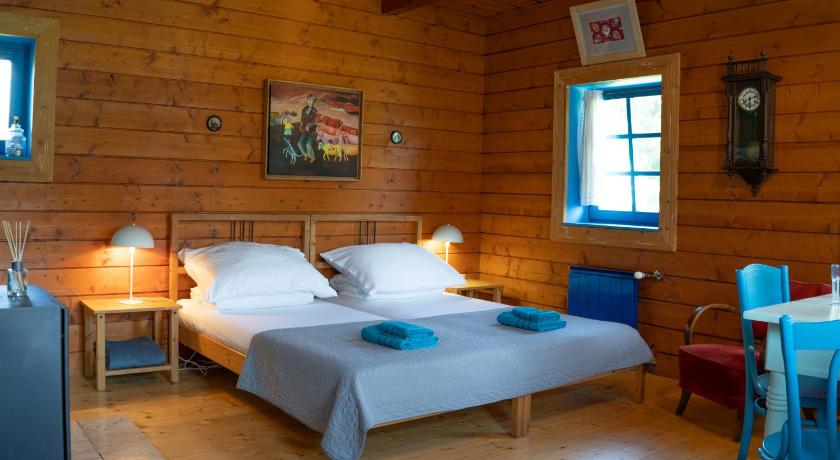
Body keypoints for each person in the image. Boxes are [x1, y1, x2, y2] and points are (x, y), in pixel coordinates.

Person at [297, 94, 319, 163]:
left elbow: (315, 121)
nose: (311, 102)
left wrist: (309, 125)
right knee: (299, 143)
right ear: (307, 100)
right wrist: (301, 126)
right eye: (310, 100)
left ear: (314, 102)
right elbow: (302, 119)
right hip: (305, 130)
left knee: (308, 144)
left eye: (313, 101)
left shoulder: (315, 111)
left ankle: (312, 157)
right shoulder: (304, 110)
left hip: (312, 131)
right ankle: (305, 154)